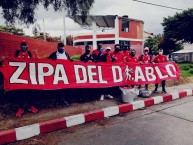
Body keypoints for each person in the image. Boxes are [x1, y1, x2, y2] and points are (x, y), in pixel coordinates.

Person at [15, 41, 38, 117]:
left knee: (30, 92)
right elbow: (12, 61)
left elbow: (35, 61)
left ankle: (31, 106)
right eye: (22, 45)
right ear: (20, 46)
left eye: (25, 45)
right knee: (20, 93)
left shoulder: (29, 53)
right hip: (20, 77)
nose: (24, 47)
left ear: (27, 46)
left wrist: (36, 54)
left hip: (28, 76)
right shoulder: (17, 53)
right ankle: (20, 108)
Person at [49, 42, 72, 107]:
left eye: (62, 47)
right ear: (57, 47)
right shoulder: (54, 54)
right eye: (60, 47)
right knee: (57, 89)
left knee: (64, 88)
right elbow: (47, 62)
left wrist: (71, 61)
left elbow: (69, 61)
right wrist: (52, 60)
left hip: (65, 75)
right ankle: (58, 101)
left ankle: (63, 100)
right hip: (56, 74)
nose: (61, 48)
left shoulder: (66, 54)